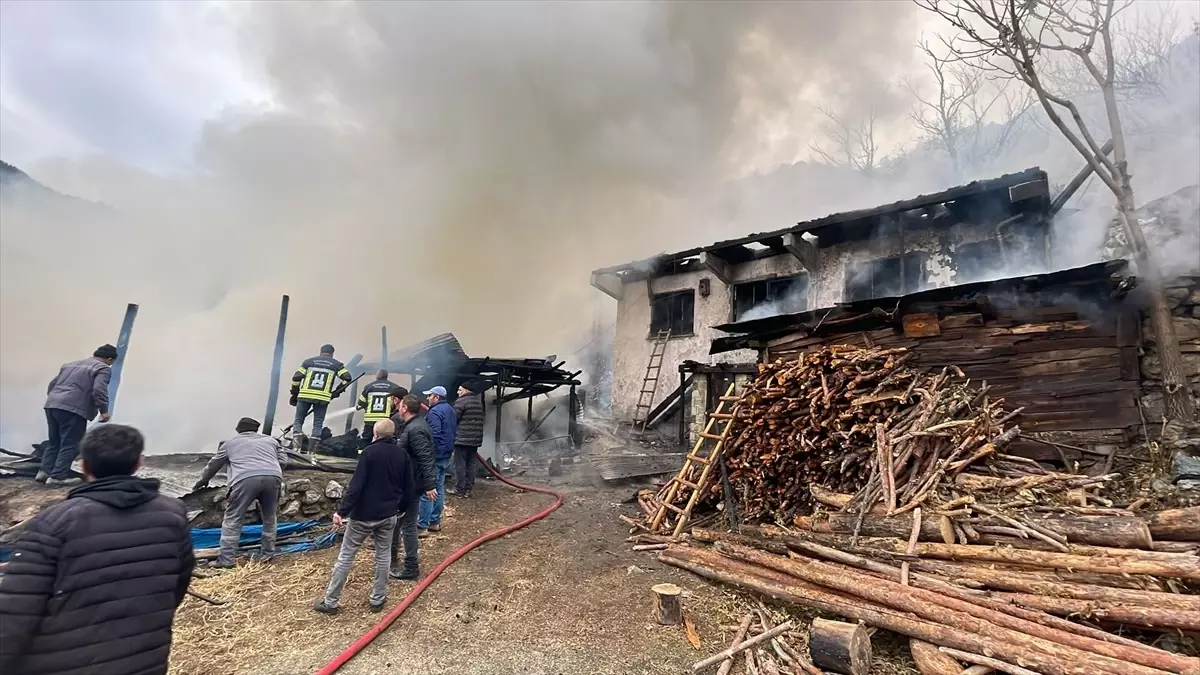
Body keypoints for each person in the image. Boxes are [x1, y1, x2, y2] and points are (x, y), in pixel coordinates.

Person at [0, 424, 195, 675]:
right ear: (138, 463)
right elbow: (176, 586)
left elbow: (16, 611)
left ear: (84, 466)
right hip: (143, 661)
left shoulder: (53, 522)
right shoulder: (173, 514)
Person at [314, 419, 410, 614]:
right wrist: (401, 508)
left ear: (375, 434)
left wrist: (342, 511)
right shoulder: (402, 454)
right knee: (383, 556)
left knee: (346, 556)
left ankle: (330, 602)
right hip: (388, 514)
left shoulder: (369, 453)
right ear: (392, 434)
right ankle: (378, 599)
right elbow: (409, 485)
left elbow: (356, 486)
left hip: (363, 516)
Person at [193, 417, 289, 568]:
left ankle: (226, 560)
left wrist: (202, 481)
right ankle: (268, 554)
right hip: (273, 478)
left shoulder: (229, 444)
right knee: (270, 517)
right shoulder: (271, 441)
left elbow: (213, 465)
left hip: (244, 480)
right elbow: (283, 461)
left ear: (238, 429)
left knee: (233, 519)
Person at [38, 344, 117, 486]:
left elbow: (52, 385)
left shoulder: (69, 365)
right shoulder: (103, 368)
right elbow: (99, 390)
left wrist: (57, 400)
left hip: (52, 404)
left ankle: (44, 472)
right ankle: (58, 477)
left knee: (54, 440)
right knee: (71, 442)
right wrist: (104, 411)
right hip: (73, 408)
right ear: (110, 359)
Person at [389, 393, 436, 579]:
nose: (398, 408)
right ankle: (391, 560)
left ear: (405, 408)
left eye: (400, 406)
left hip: (411, 485)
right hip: (408, 482)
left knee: (407, 526)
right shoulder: (414, 425)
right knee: (398, 523)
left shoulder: (415, 430)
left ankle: (410, 567)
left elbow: (425, 457)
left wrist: (430, 484)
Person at [290, 344, 352, 440]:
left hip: (305, 395)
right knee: (318, 422)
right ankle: (313, 446)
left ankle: (297, 439)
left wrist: (294, 393)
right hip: (322, 398)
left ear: (321, 352)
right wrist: (337, 391)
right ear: (332, 353)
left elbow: (296, 377)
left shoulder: (308, 362)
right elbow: (347, 378)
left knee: (298, 420)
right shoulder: (336, 364)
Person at [418, 386, 457, 534]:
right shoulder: (450, 410)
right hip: (446, 454)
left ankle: (422, 525)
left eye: (430, 396)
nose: (427, 398)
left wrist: (426, 454)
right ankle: (434, 521)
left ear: (437, 397)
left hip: (435, 456)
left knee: (428, 489)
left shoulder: (434, 413)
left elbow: (434, 435)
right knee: (439, 488)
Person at [449, 382, 485, 498]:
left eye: (460, 390)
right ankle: (468, 489)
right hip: (474, 440)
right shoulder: (478, 402)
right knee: (471, 464)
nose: (458, 392)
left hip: (461, 439)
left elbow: (454, 419)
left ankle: (459, 489)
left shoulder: (461, 402)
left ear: (465, 391)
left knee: (459, 464)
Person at [357, 369, 396, 446]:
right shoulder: (394, 387)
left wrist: (366, 406)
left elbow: (361, 402)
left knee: (366, 439)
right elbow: (396, 403)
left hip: (370, 419)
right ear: (386, 376)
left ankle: (361, 455)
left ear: (377, 376)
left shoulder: (369, 387)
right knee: (385, 439)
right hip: (385, 419)